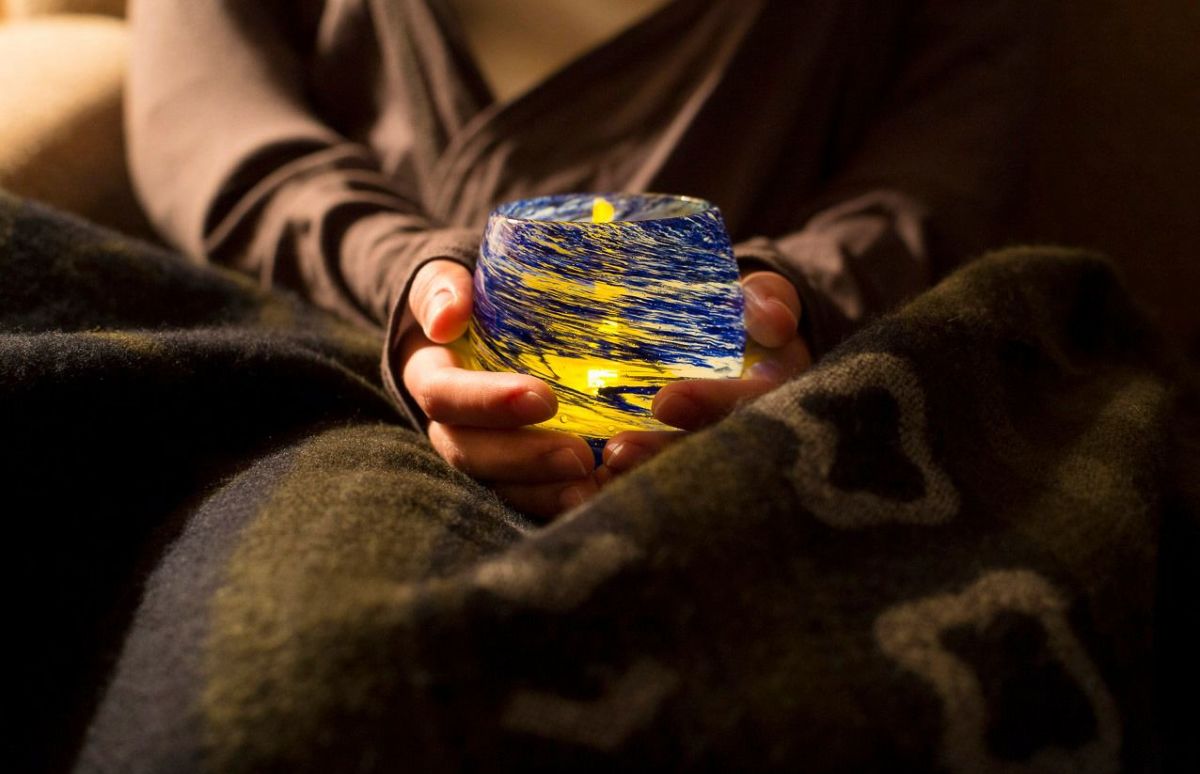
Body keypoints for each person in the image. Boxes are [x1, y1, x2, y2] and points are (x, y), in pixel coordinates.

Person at [126, 0, 1039, 518]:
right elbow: (213, 125)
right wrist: (412, 280)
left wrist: (789, 304)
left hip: (760, 433)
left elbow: (931, 183)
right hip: (336, 364)